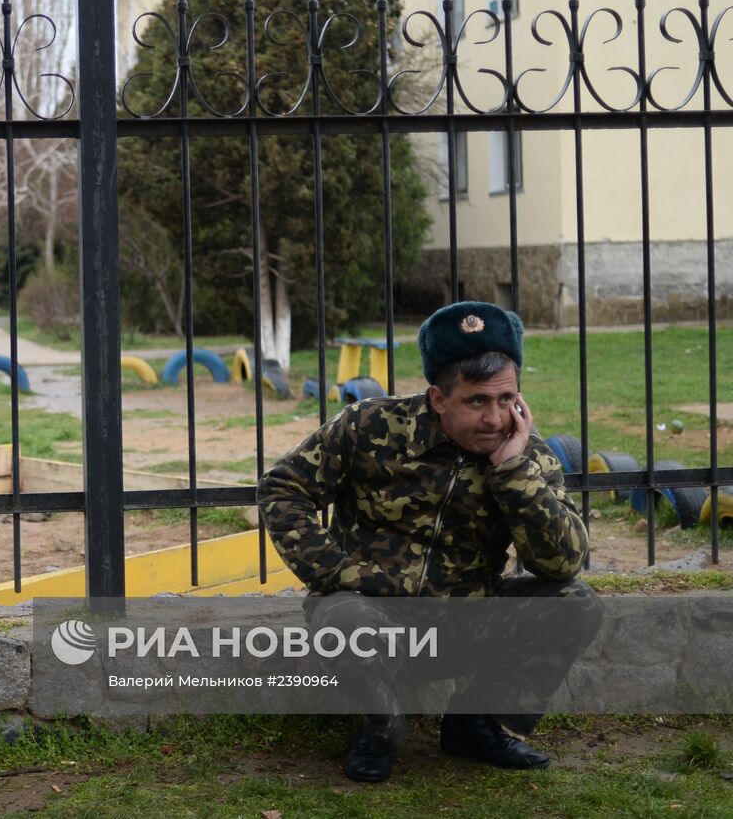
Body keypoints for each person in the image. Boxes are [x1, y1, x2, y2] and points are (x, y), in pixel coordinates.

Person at [257, 301, 602, 783]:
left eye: (507, 400)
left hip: (469, 623)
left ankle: (475, 725)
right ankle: (380, 730)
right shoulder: (370, 427)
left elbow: (562, 564)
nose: (495, 418)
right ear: (439, 399)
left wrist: (511, 474)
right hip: (375, 620)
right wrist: (337, 572)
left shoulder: (528, 457)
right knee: (343, 619)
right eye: (477, 401)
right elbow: (283, 487)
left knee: (575, 603)